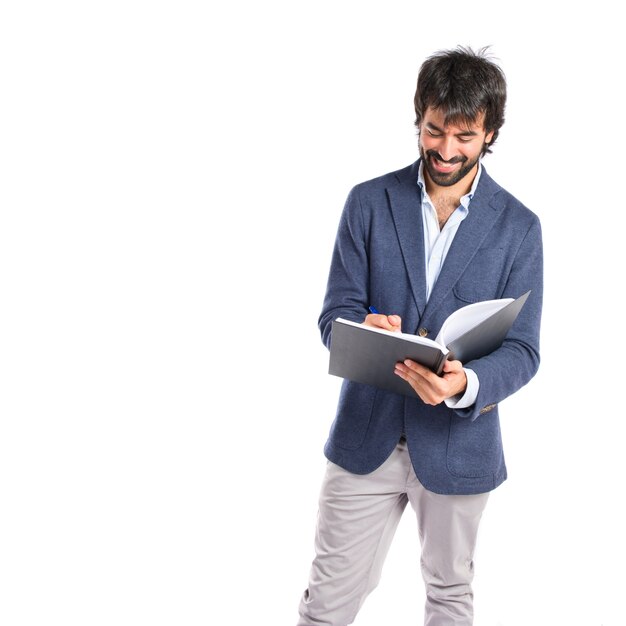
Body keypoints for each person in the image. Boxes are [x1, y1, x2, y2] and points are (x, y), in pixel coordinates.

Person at [296, 46, 543, 626]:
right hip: (365, 435)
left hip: (460, 445)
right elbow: (335, 313)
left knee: (449, 598)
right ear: (418, 119)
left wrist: (467, 384)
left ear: (489, 134)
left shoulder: (519, 228)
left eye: (465, 136)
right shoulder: (368, 202)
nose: (446, 151)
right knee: (327, 602)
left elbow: (524, 350)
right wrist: (360, 328)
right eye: (434, 131)